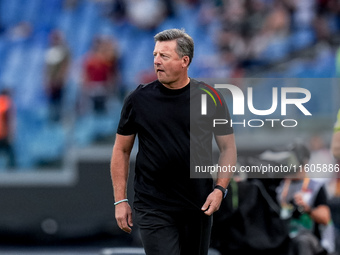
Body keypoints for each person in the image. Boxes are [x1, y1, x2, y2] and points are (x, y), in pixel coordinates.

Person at [110, 28, 237, 255]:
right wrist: (120, 201)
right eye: (155, 55)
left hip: (198, 206)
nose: (156, 61)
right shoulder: (138, 100)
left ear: (184, 61)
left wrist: (219, 189)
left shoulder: (211, 97)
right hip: (153, 206)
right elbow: (121, 150)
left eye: (164, 56)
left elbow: (228, 148)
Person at [276, 143, 334, 255]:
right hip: (284, 236)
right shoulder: (279, 187)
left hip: (312, 240)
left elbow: (325, 218)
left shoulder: (315, 186)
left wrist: (307, 209)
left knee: (302, 242)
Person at [44, 30, 71, 122]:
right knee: (52, 103)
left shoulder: (64, 50)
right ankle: (54, 119)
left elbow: (66, 66)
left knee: (62, 103)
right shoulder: (50, 51)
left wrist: (60, 79)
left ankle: (62, 119)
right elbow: (46, 69)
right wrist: (47, 81)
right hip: (52, 82)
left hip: (61, 82)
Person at [0, 89, 15, 168]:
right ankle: (12, 170)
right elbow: (9, 118)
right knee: (10, 154)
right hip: (3, 134)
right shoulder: (6, 102)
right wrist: (11, 134)